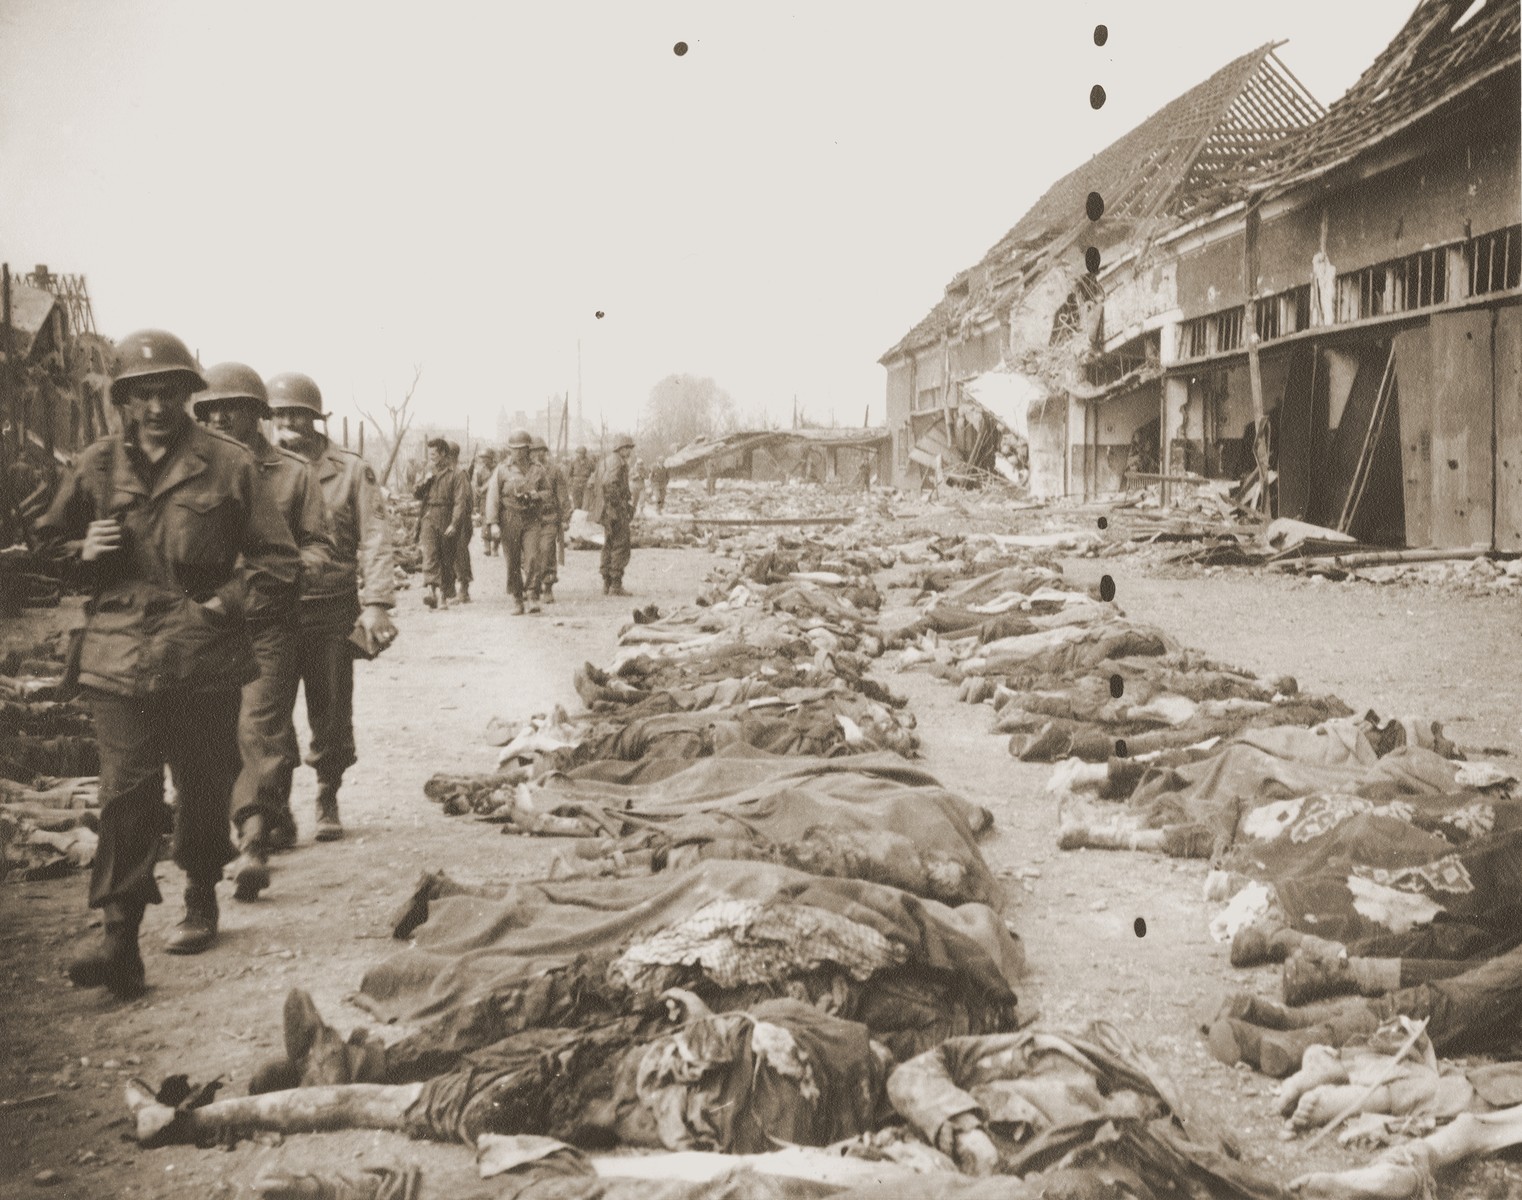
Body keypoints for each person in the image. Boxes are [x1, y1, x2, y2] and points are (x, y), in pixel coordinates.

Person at [37, 330, 302, 993]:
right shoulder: (95, 467)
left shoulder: (229, 463)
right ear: (122, 400)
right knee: (126, 792)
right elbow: (44, 551)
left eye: (169, 393)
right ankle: (119, 936)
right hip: (118, 654)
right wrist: (82, 553)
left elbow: (277, 562)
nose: (156, 407)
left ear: (189, 395)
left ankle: (201, 892)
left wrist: (226, 603)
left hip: (201, 654)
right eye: (142, 395)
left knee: (201, 785)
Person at [191, 363, 335, 902]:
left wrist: (296, 564)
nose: (223, 417)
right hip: (202, 624)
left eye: (236, 407)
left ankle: (252, 839)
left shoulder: (295, 473)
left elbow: (320, 543)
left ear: (259, 414)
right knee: (217, 734)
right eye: (212, 408)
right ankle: (269, 815)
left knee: (259, 725)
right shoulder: (193, 470)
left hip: (269, 620)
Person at [268, 373, 398, 843]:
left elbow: (376, 537)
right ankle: (274, 807)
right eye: (279, 416)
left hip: (331, 607)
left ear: (315, 419)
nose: (288, 426)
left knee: (331, 710)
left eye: (297, 415)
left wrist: (378, 602)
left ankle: (327, 793)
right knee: (269, 713)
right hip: (273, 610)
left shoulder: (349, 470)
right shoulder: (259, 469)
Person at [483, 430, 550, 615]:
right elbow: (493, 497)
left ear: (528, 449)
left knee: (533, 557)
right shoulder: (502, 470)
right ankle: (517, 599)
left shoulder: (538, 469)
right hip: (509, 518)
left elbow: (547, 492)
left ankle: (532, 594)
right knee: (512, 560)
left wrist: (537, 495)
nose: (517, 453)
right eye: (514, 449)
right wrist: (493, 523)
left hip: (531, 518)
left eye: (521, 449)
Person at [413, 438, 467, 611]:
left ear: (444, 453)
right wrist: (423, 483)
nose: (432, 457)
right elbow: (416, 494)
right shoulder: (426, 471)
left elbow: (460, 501)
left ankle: (444, 595)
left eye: (434, 454)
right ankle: (431, 591)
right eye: (430, 454)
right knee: (429, 554)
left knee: (446, 558)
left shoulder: (457, 473)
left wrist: (455, 523)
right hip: (429, 515)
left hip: (447, 515)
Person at [586, 434, 634, 596]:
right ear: (622, 448)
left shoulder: (605, 461)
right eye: (628, 448)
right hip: (614, 509)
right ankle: (615, 584)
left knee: (609, 543)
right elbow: (609, 484)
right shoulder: (618, 463)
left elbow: (593, 483)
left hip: (605, 509)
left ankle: (607, 583)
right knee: (621, 543)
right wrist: (619, 504)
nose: (630, 451)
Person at [527, 437, 570, 604]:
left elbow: (562, 494)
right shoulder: (527, 470)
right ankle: (532, 587)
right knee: (530, 554)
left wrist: (565, 517)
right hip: (530, 518)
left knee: (547, 550)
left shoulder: (554, 470)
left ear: (545, 452)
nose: (537, 454)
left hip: (549, 517)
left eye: (541, 451)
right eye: (534, 451)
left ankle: (548, 586)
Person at [448, 442, 473, 603]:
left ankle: (463, 590)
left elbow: (464, 501)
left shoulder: (460, 474)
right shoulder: (445, 472)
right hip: (448, 517)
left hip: (461, 519)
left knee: (460, 553)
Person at [473, 449, 499, 556]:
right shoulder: (480, 471)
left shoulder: (498, 469)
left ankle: (495, 546)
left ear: (491, 458)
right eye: (482, 458)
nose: (483, 460)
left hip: (496, 499)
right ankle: (486, 545)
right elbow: (477, 488)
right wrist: (476, 505)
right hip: (484, 499)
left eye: (486, 458)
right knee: (485, 522)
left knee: (497, 522)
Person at [567, 446, 593, 511]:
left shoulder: (590, 461)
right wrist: (570, 484)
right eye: (578, 453)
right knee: (576, 503)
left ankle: (583, 517)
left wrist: (591, 480)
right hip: (576, 484)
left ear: (585, 453)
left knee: (586, 503)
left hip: (586, 484)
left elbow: (595, 472)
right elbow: (570, 474)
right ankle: (577, 516)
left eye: (581, 453)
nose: (580, 455)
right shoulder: (573, 461)